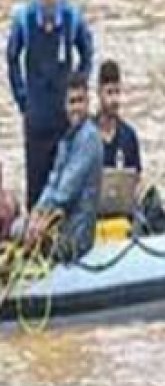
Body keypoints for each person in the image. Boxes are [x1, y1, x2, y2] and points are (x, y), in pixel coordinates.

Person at [6, 0, 94, 210]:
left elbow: (87, 51)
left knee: (68, 186)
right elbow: (11, 58)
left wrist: (79, 86)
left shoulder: (71, 18)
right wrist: (23, 101)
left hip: (65, 120)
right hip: (36, 120)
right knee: (37, 188)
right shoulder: (24, 19)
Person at [25, 73, 102, 262]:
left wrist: (41, 220)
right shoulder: (67, 140)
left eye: (80, 101)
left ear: (88, 102)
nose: (75, 107)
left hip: (75, 238)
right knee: (20, 222)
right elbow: (53, 181)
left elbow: (65, 192)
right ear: (64, 105)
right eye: (71, 102)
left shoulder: (89, 139)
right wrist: (37, 211)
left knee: (19, 229)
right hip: (60, 229)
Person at [96, 60, 165, 236]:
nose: (114, 99)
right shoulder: (88, 136)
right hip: (93, 210)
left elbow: (136, 177)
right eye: (109, 93)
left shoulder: (128, 135)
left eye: (117, 92)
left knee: (151, 200)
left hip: (124, 210)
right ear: (99, 93)